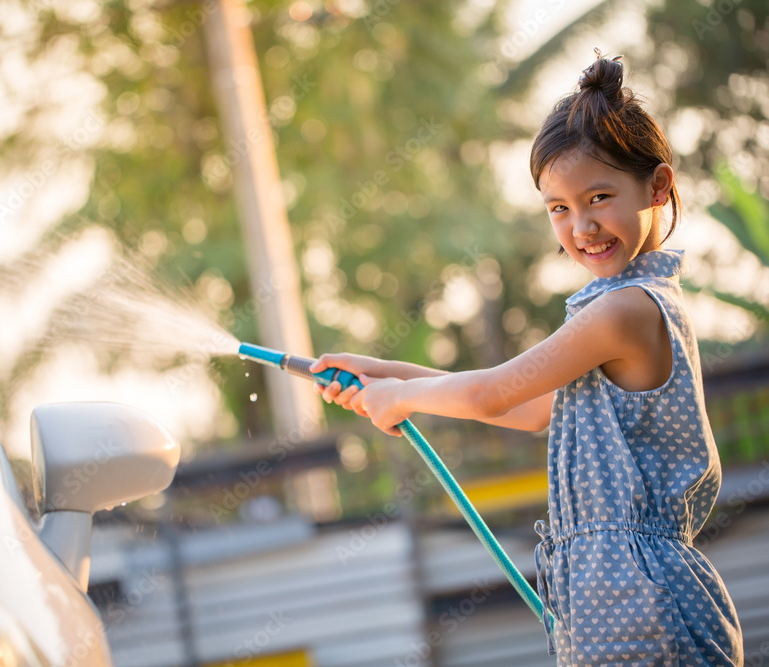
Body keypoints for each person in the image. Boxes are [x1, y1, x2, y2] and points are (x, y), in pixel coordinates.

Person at [311, 50, 744, 666]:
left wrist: (399, 399)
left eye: (599, 196)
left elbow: (495, 392)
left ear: (658, 186)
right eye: (559, 208)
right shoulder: (611, 310)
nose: (582, 226)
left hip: (639, 599)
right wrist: (392, 373)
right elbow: (529, 406)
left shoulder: (625, 311)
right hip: (606, 596)